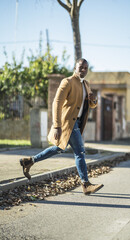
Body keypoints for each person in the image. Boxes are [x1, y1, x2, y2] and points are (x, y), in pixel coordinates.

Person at [20, 58, 104, 195]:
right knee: (80, 151)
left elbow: (92, 105)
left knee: (58, 149)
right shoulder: (68, 82)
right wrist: (57, 125)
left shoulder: (86, 84)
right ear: (75, 67)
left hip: (77, 123)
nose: (83, 70)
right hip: (67, 123)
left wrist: (93, 99)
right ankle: (85, 184)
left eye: (86, 68)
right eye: (81, 67)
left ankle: (29, 161)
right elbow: (56, 103)